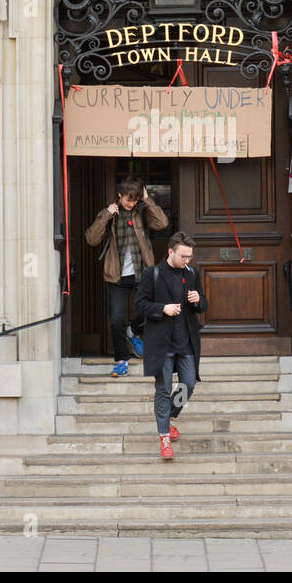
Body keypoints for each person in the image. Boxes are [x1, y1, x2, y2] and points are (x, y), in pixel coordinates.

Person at [84, 176, 169, 377]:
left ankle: (134, 330)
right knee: (116, 320)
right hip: (117, 276)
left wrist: (147, 201)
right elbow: (91, 238)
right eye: (128, 199)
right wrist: (105, 215)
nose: (132, 203)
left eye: (136, 199)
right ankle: (121, 361)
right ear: (120, 196)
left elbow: (162, 223)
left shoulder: (142, 211)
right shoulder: (110, 214)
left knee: (152, 311)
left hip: (143, 273)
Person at [133, 232, 208, 459]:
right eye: (183, 256)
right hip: (162, 344)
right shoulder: (152, 274)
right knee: (163, 390)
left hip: (186, 342)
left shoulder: (192, 273)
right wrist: (162, 309)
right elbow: (139, 304)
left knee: (188, 384)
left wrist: (198, 301)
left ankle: (171, 417)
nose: (187, 260)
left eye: (190, 256)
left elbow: (203, 305)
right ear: (170, 252)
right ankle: (164, 438)